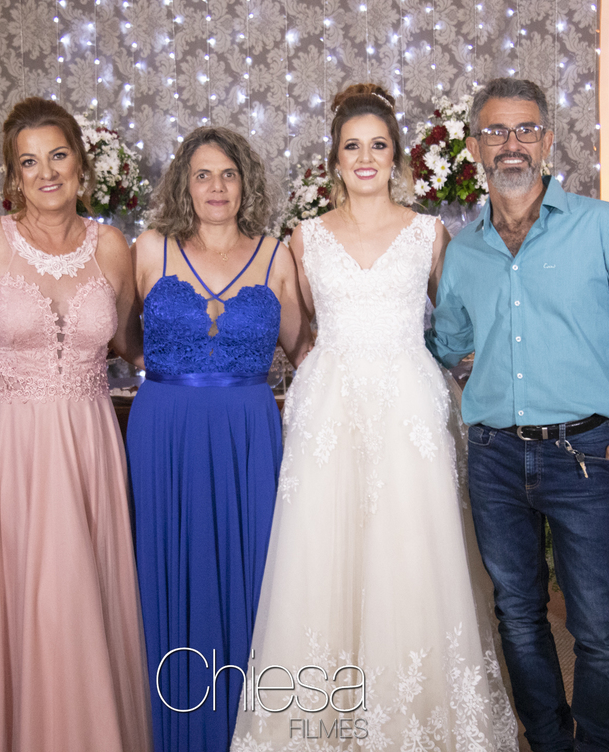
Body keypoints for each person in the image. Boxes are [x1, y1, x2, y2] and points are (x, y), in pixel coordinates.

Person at [233, 84, 518, 751]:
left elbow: (455, 326)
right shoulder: (304, 238)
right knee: (320, 554)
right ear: (335, 158)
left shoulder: (428, 233)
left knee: (411, 550)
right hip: (329, 409)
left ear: (397, 158)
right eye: (352, 146)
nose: (365, 158)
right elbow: (299, 331)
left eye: (378, 145)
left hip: (407, 404)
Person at [427, 77, 609, 752]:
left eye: (525, 129)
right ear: (474, 147)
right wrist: (432, 356)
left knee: (595, 622)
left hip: (582, 456)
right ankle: (547, 739)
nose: (510, 144)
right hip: (494, 458)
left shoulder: (602, 225)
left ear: (547, 140)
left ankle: (598, 745)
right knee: (516, 614)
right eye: (495, 131)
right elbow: (447, 339)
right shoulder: (465, 250)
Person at [0, 97, 151, 751]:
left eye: (58, 155)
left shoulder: (112, 245)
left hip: (90, 439)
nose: (46, 172)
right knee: (35, 598)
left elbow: (132, 344)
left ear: (80, 165)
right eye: (29, 161)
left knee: (89, 591)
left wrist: (219, 350)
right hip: (16, 445)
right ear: (13, 175)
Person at [128, 126, 311, 752]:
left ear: (245, 183)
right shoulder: (150, 249)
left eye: (228, 174)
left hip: (247, 436)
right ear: (184, 183)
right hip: (165, 433)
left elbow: (303, 348)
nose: (216, 186)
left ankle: (249, 726)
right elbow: (120, 337)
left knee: (254, 571)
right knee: (168, 571)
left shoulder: (276, 255)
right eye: (203, 174)